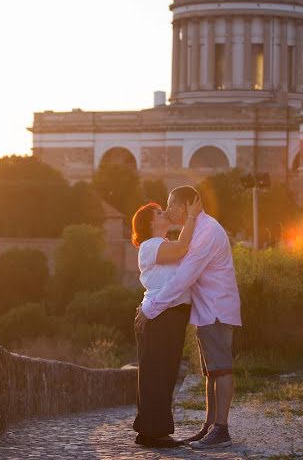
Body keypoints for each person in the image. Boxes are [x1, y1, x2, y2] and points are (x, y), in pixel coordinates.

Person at [135, 186, 242, 450]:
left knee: (221, 369)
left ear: (186, 206)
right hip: (203, 310)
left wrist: (152, 308)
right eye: (164, 209)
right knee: (210, 372)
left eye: (171, 206)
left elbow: (185, 276)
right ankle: (209, 427)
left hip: (215, 308)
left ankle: (221, 430)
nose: (169, 211)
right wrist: (152, 307)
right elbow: (179, 261)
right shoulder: (185, 235)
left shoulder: (206, 232)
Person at [130, 191, 202, 448]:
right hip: (162, 315)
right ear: (150, 224)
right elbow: (183, 248)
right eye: (159, 213)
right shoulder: (151, 246)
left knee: (159, 372)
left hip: (167, 314)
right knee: (158, 373)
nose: (164, 214)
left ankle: (148, 430)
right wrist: (192, 216)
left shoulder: (161, 243)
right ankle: (154, 433)